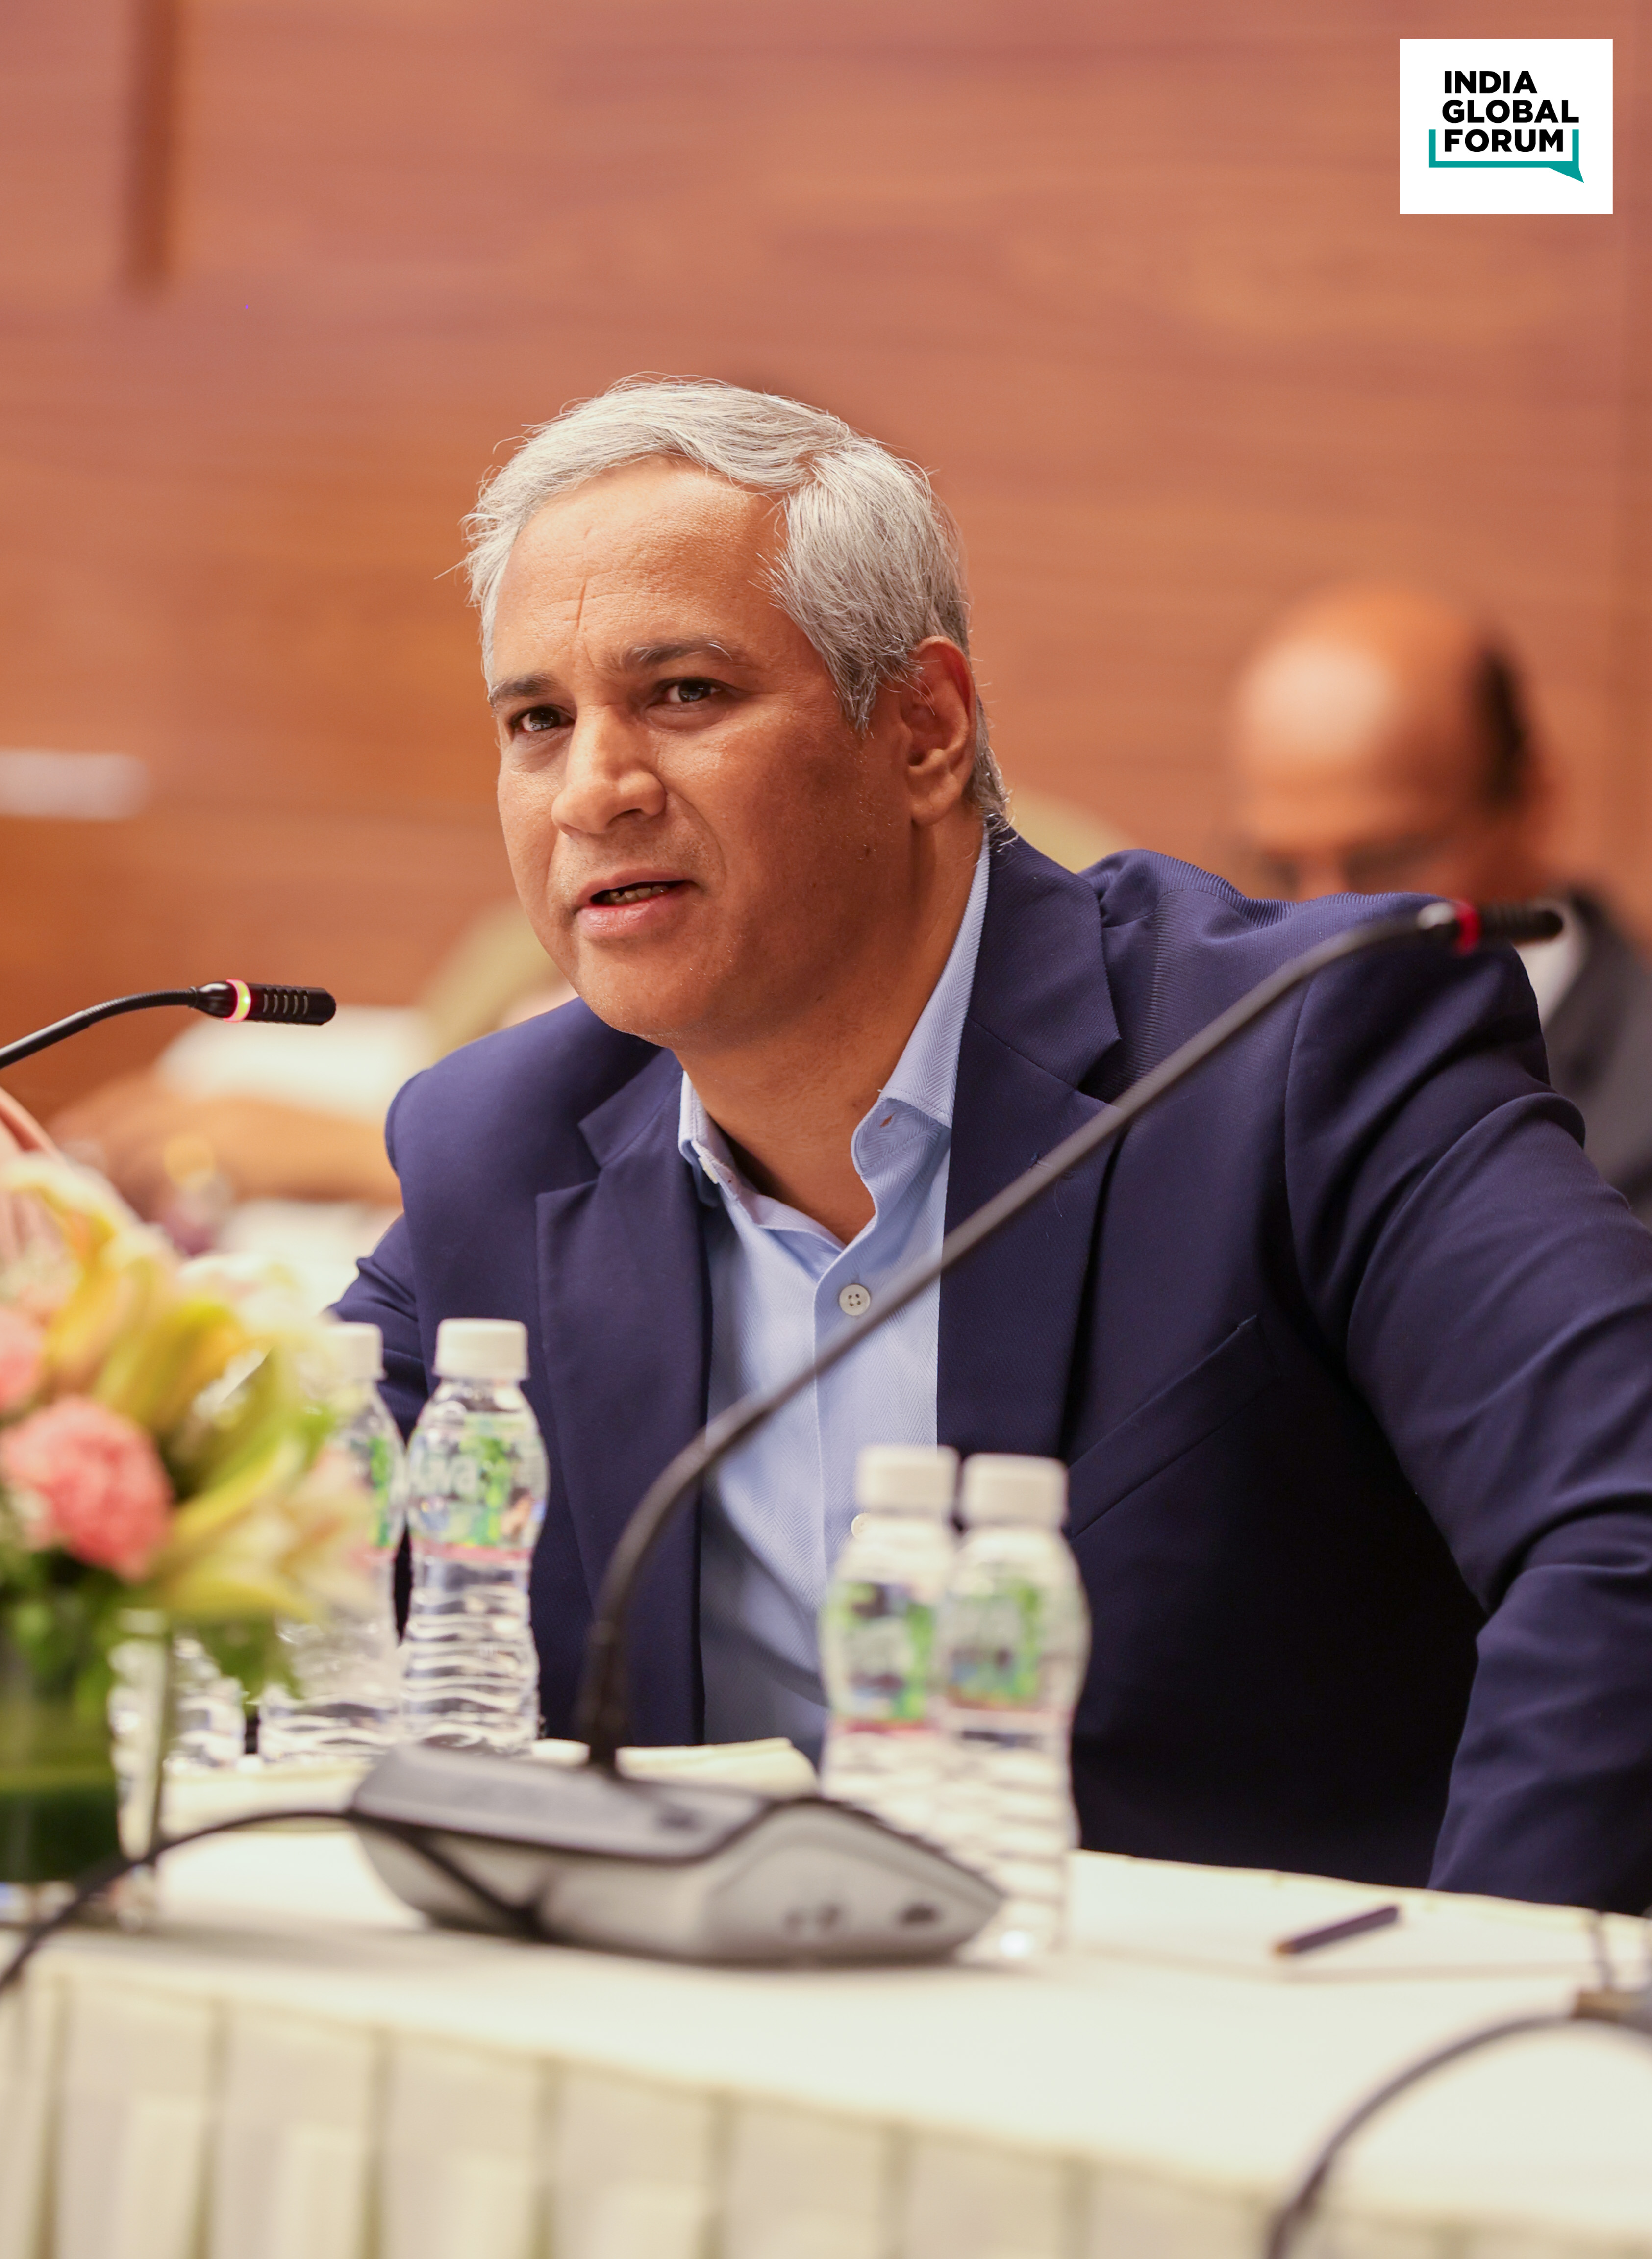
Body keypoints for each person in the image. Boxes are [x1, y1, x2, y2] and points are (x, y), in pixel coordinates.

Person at [339, 378, 1652, 1913]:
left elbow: (1621, 1522)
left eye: (684, 694)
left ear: (924, 730)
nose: (593, 792)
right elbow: (268, 1540)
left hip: (1223, 2033)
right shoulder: (504, 1148)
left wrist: (1469, 1985)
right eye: (537, 723)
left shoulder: (1301, 1054)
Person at [1229, 585, 1652, 1224]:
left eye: (1385, 860)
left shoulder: (1636, 1103)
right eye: (1282, 870)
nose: (1322, 922)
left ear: (1532, 801)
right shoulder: (1216, 1070)